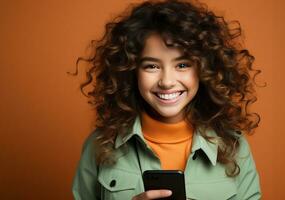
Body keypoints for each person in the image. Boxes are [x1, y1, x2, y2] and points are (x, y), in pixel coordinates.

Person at [71, 0, 262, 199]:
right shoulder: (100, 145)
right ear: (131, 71)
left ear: (204, 70)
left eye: (182, 65)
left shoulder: (234, 148)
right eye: (151, 66)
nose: (167, 82)